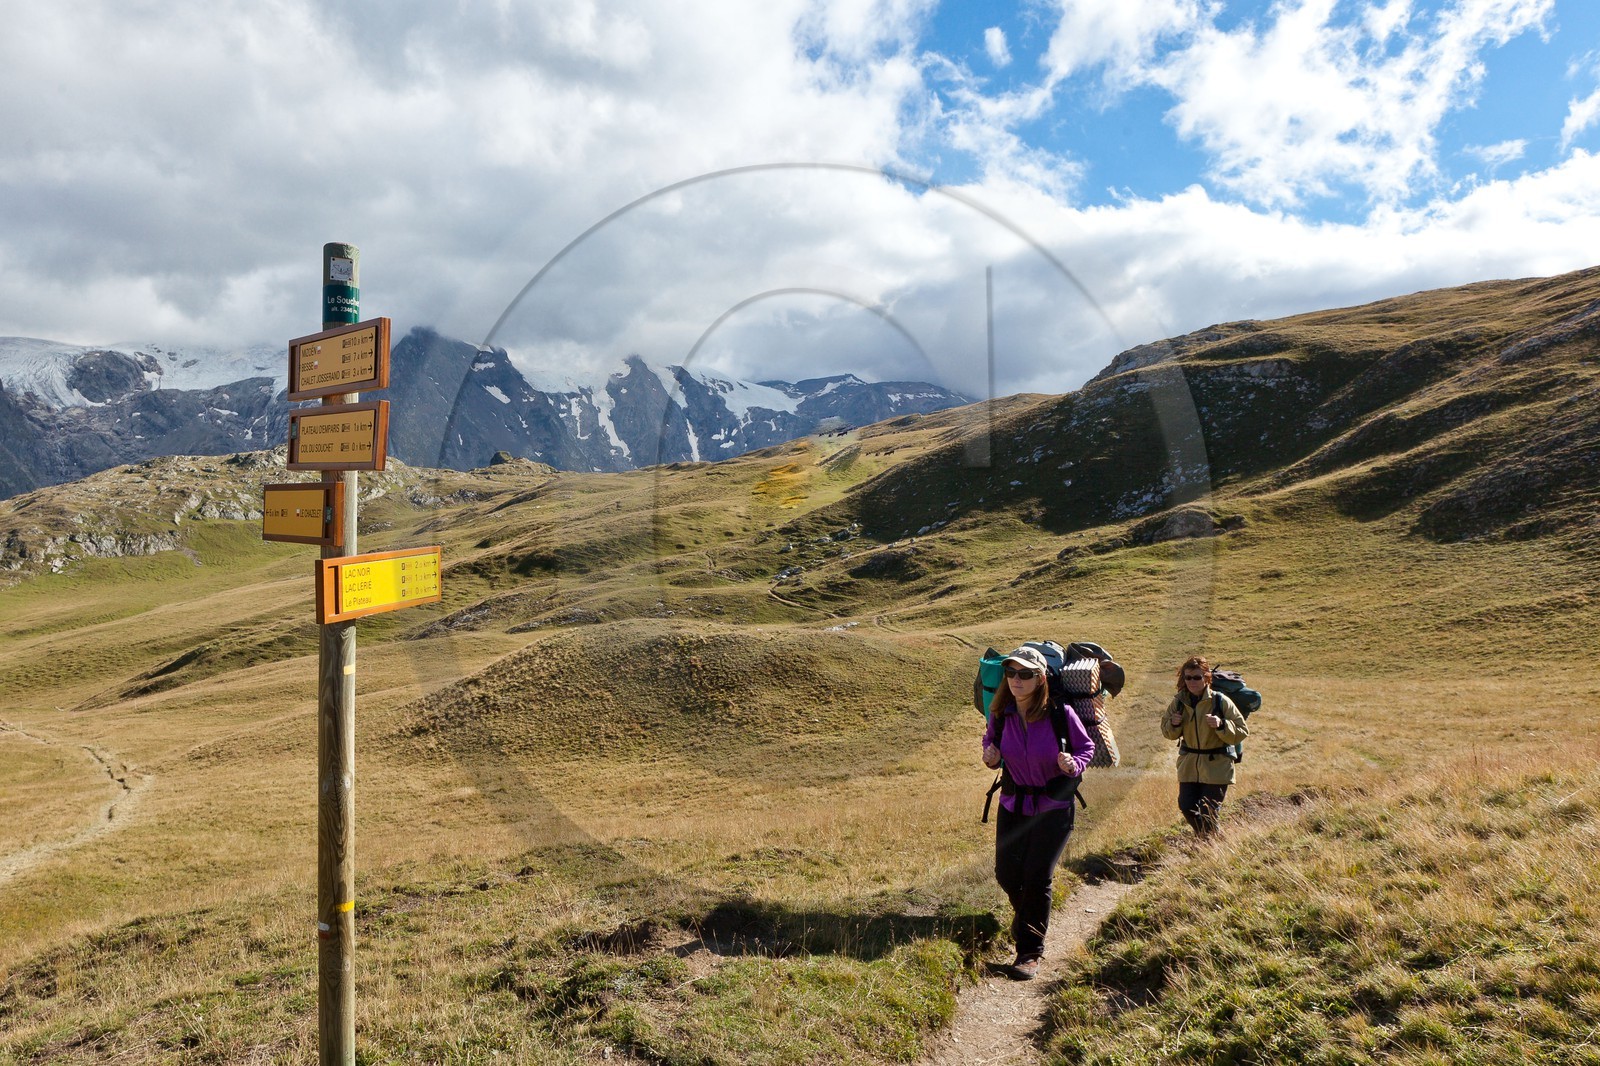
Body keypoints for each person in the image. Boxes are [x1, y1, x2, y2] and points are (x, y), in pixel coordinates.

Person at [981, 646, 1095, 980]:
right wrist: (989, 756)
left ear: (1040, 678)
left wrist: (1074, 764)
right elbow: (991, 748)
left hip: (1054, 807)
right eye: (1011, 673)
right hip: (1013, 802)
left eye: (1025, 673)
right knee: (1006, 874)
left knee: (1036, 876)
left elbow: (1085, 747)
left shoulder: (1060, 713)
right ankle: (1029, 920)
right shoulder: (1001, 713)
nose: (1017, 679)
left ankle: (1030, 952)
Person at [1160, 656, 1248, 838]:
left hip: (1218, 765)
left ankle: (1207, 844)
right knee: (1186, 806)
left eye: (1197, 677)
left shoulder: (1220, 701)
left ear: (1207, 678)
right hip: (1189, 765)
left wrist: (1222, 724)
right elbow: (1167, 733)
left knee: (1208, 811)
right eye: (1188, 677)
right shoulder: (1179, 702)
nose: (1192, 682)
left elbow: (1242, 731)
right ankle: (1210, 838)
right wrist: (1174, 724)